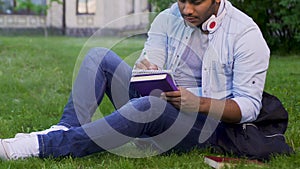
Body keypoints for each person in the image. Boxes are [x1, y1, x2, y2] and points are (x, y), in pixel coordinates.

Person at [0, 0, 272, 160]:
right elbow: (150, 61)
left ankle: (39, 146)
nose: (186, 9)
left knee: (148, 108)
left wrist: (199, 103)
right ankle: (65, 128)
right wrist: (146, 69)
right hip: (159, 102)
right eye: (181, 1)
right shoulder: (168, 19)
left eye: (196, 2)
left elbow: (248, 107)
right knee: (97, 56)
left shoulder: (245, 34)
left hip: (205, 126)